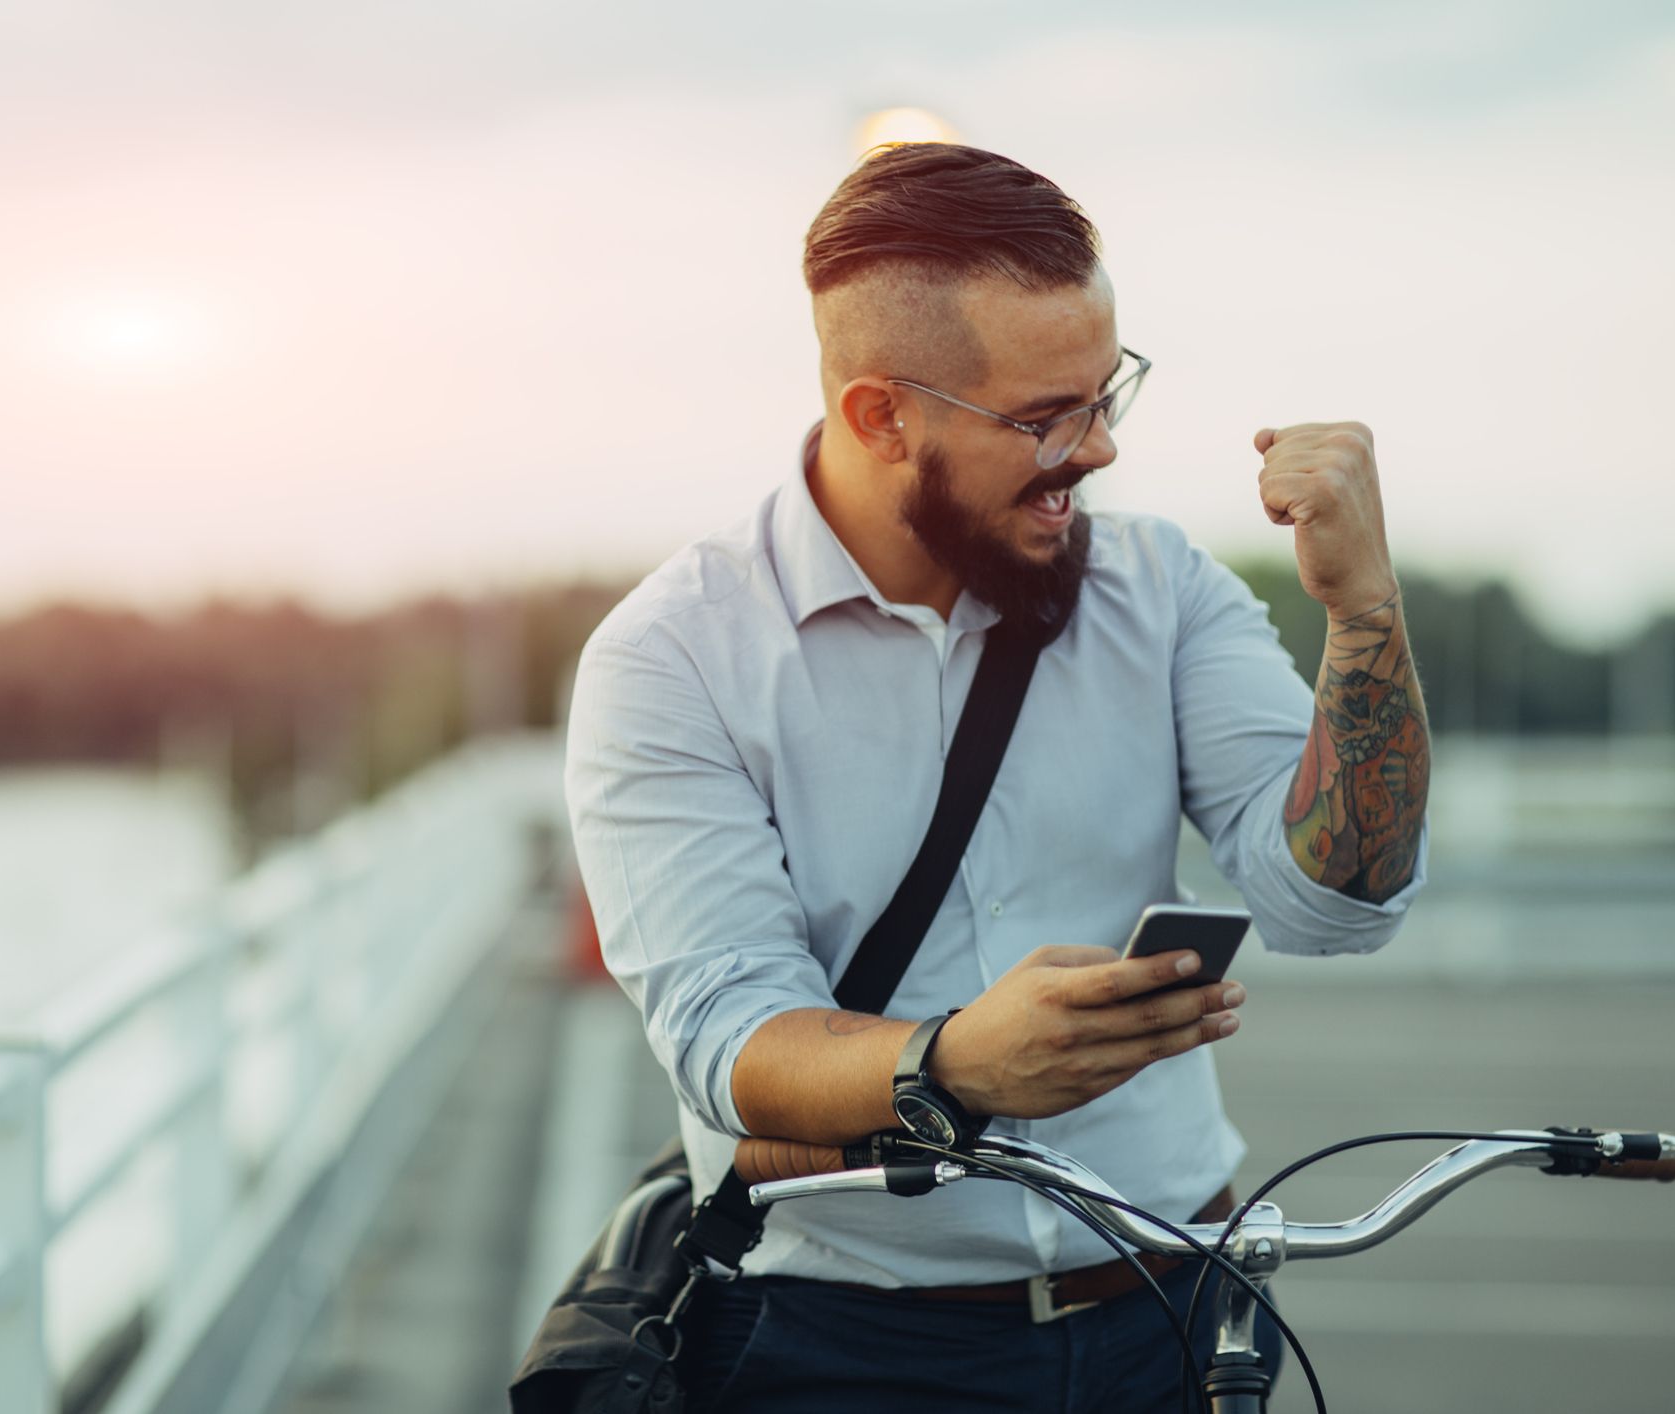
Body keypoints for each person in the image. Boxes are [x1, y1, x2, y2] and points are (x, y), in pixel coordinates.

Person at [562, 141, 1431, 1413]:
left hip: (1173, 1305)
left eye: (1106, 392)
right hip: (841, 1347)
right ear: (880, 414)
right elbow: (727, 1035)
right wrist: (955, 1060)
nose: (1099, 451)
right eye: (1043, 418)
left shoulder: (1162, 585)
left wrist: (1364, 614)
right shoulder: (672, 657)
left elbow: (1335, 899)